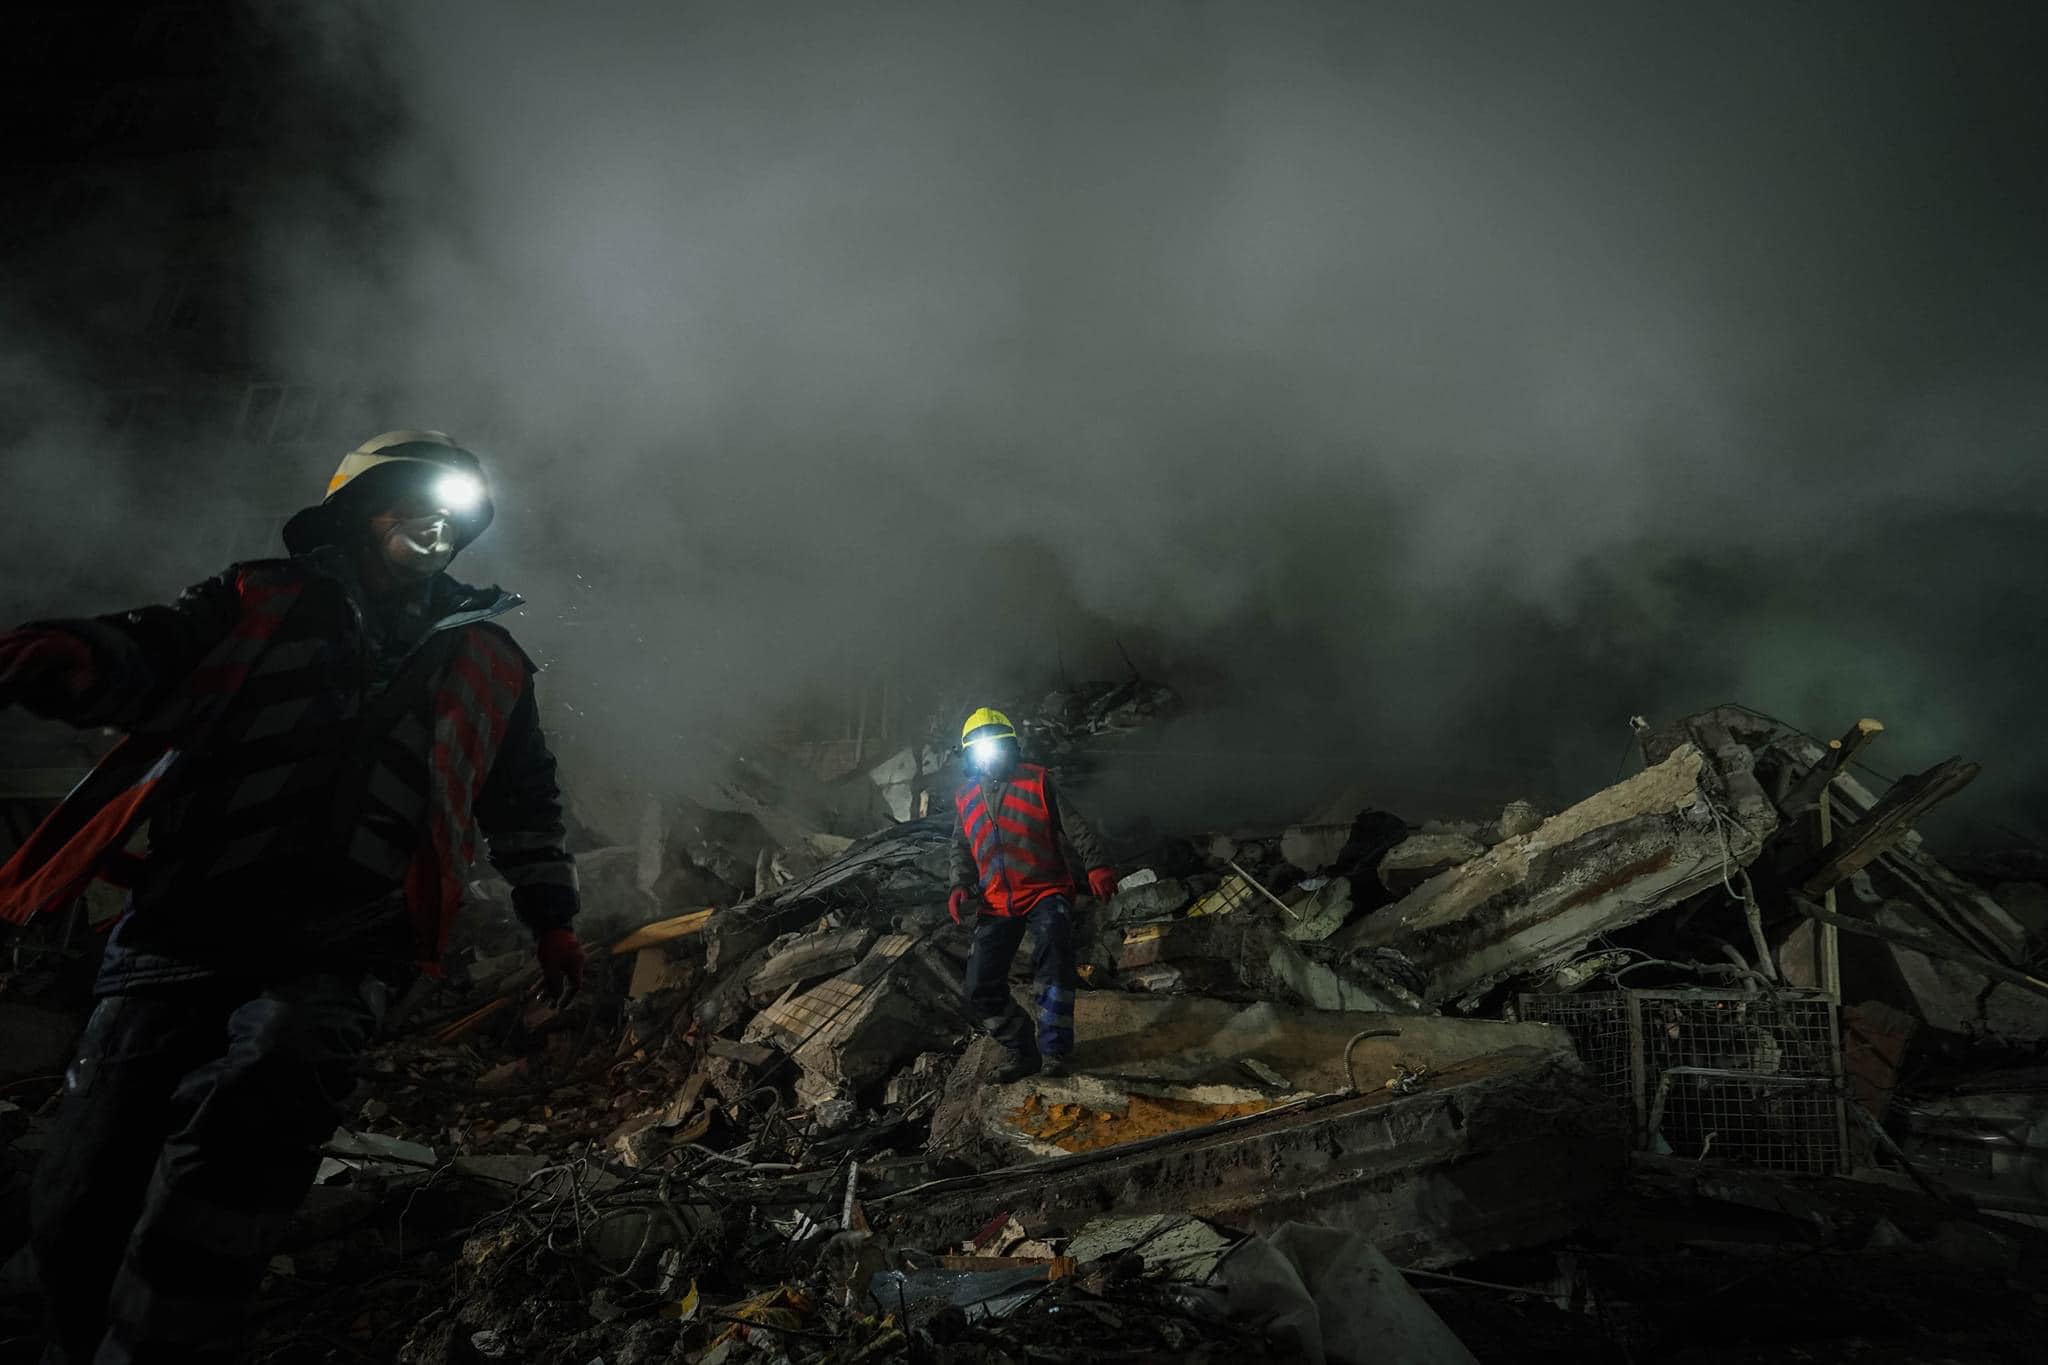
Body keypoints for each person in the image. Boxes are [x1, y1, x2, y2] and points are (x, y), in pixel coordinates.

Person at [0, 430, 586, 1364]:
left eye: (455, 513)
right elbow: (154, 649)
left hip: (346, 947)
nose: (436, 525)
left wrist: (552, 918)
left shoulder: (492, 661)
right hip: (181, 930)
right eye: (413, 502)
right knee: (84, 1183)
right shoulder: (259, 601)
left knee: (256, 1118)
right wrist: (82, 655)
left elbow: (525, 802)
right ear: (359, 510)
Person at [947, 707, 1117, 1082]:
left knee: (1054, 959)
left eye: (995, 747)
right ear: (969, 756)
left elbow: (1076, 826)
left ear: (1010, 746)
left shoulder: (1038, 781)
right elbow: (961, 845)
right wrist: (959, 884)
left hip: (1045, 890)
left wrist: (1097, 864)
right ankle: (1022, 1050)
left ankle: (1055, 1051)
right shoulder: (966, 797)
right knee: (978, 986)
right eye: (979, 750)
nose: (988, 757)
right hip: (996, 900)